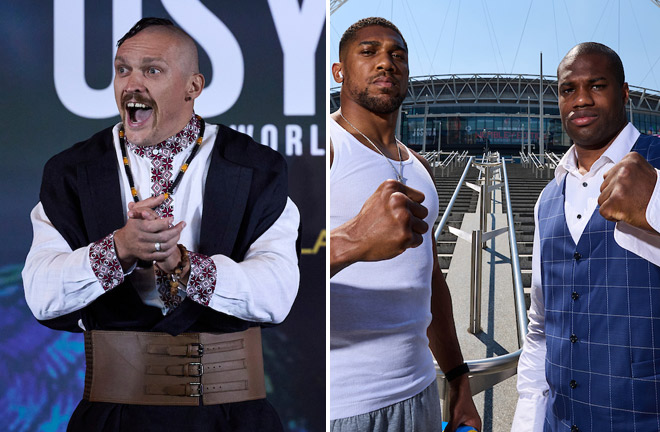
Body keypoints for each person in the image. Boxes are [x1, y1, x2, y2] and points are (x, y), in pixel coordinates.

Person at [22, 17, 300, 432]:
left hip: (232, 419)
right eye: (122, 70)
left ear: (193, 86)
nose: (131, 84)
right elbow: (41, 292)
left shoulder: (257, 167)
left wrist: (187, 267)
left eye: (151, 70)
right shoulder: (71, 171)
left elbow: (276, 294)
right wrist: (116, 250)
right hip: (111, 418)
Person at [329, 17, 481, 432]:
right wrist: (354, 239)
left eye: (397, 55)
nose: (386, 63)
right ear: (339, 72)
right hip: (341, 405)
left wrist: (457, 378)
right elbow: (270, 268)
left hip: (419, 395)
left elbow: (430, 282)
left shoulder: (419, 166)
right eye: (369, 51)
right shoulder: (323, 148)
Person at [512, 42, 660, 431]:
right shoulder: (547, 198)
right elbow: (541, 325)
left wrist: (656, 203)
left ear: (625, 93)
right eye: (568, 90)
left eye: (596, 85)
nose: (581, 100)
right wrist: (527, 421)